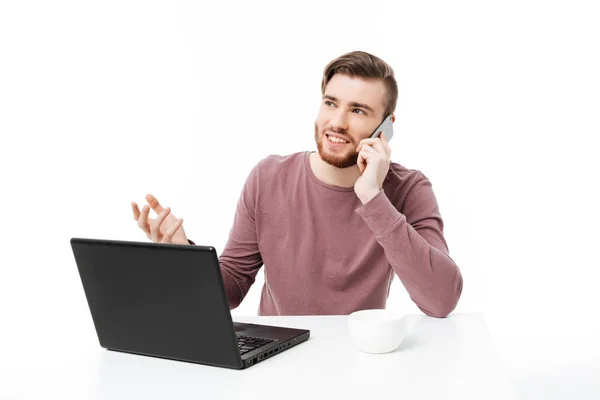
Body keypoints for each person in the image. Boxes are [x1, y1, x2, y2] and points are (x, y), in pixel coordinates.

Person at [131, 51, 463, 318]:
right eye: (331, 103)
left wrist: (373, 198)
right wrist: (185, 256)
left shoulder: (408, 189)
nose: (337, 122)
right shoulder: (268, 177)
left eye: (358, 110)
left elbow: (441, 300)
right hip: (278, 363)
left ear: (386, 128)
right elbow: (231, 289)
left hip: (357, 362)